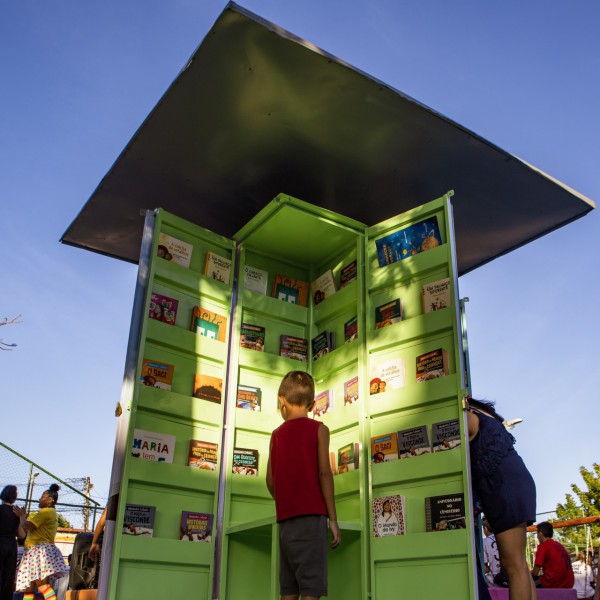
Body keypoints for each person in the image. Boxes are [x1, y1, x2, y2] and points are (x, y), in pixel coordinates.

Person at [267, 371, 341, 600]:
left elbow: (270, 481)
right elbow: (324, 473)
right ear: (311, 404)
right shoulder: (320, 429)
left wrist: (288, 501)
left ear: (282, 400)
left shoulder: (276, 435)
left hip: (286, 521)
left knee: (288, 589)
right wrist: (333, 519)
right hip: (312, 520)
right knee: (311, 588)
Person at [466, 397, 537, 600]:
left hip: (503, 488)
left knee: (513, 566)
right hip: (516, 483)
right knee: (519, 564)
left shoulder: (469, 417)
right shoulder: (490, 418)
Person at [14, 484, 67, 600]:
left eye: (42, 496)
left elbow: (26, 526)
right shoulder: (50, 513)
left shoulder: (45, 512)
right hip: (37, 550)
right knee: (30, 587)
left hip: (38, 551)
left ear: (49, 500)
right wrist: (23, 517)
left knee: (42, 584)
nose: (39, 499)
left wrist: (21, 516)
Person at [0, 485, 26, 600]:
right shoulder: (17, 513)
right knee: (8, 577)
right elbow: (21, 536)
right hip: (11, 546)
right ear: (14, 497)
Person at [531, 521, 574, 589]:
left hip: (553, 582)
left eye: (537, 534)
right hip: (569, 582)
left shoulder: (543, 546)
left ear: (540, 533)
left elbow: (535, 572)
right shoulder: (558, 545)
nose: (537, 537)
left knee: (526, 584)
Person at [482, 518, 502, 586]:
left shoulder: (484, 542)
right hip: (508, 577)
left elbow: (485, 569)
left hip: (494, 580)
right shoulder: (502, 538)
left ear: (485, 528)